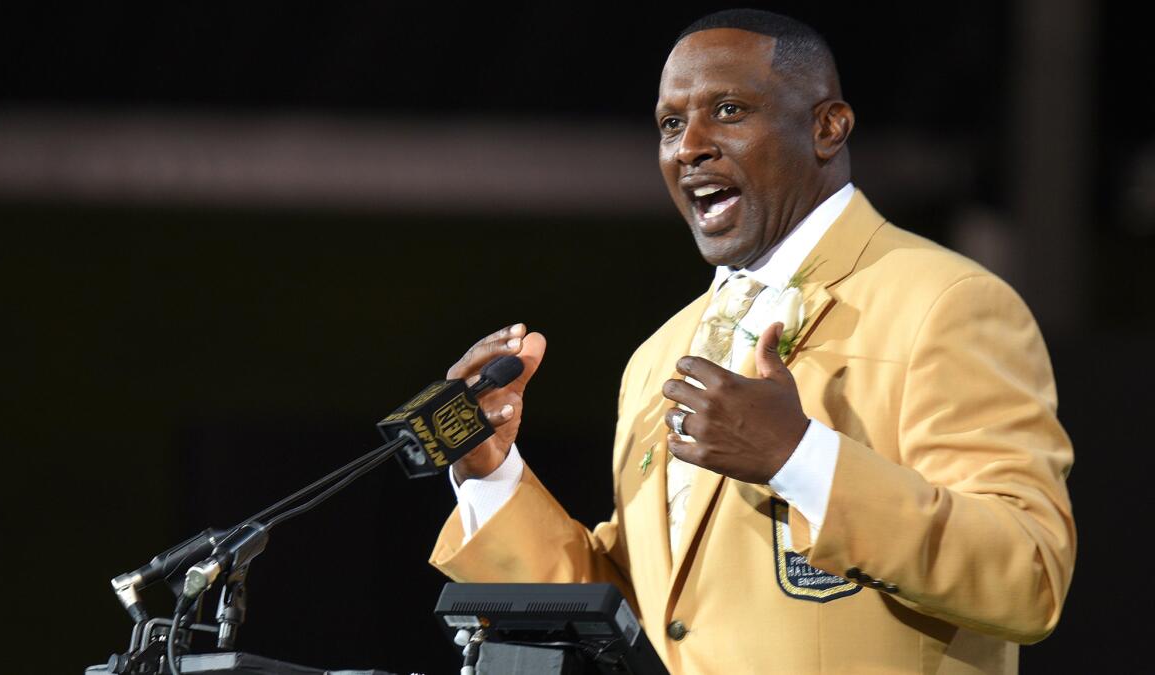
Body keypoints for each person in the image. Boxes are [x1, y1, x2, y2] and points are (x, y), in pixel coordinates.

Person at [429, 9, 1075, 674]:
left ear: (828, 128)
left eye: (728, 109)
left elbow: (1027, 576)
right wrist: (491, 472)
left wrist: (799, 456)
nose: (689, 146)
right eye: (671, 124)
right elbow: (644, 615)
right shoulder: (658, 358)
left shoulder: (945, 303)